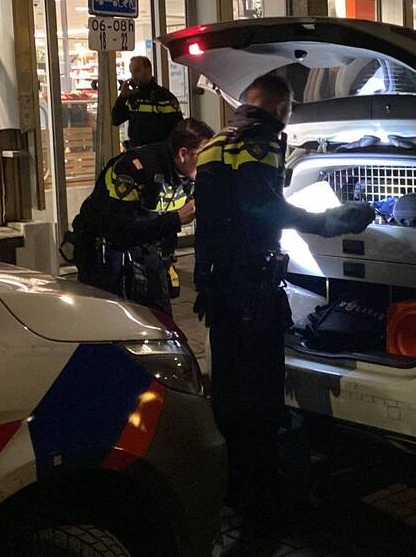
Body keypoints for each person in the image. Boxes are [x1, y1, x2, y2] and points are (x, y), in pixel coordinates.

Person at [192, 74, 375, 536]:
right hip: (253, 289)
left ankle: (230, 486)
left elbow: (223, 212)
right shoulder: (263, 143)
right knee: (262, 393)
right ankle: (265, 500)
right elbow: (263, 209)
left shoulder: (214, 143)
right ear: (280, 109)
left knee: (229, 389)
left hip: (218, 289)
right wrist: (328, 221)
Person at [72, 118, 214, 316]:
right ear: (183, 154)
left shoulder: (191, 176)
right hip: (105, 254)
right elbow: (119, 231)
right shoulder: (134, 168)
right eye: (205, 157)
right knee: (108, 323)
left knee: (160, 322)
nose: (210, 165)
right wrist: (176, 219)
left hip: (147, 250)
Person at [112, 56, 184, 148]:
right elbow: (116, 120)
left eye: (137, 70)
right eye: (131, 72)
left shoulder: (165, 97)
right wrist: (122, 97)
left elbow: (177, 130)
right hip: (137, 152)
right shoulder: (133, 97)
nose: (133, 76)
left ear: (148, 70)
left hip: (157, 153)